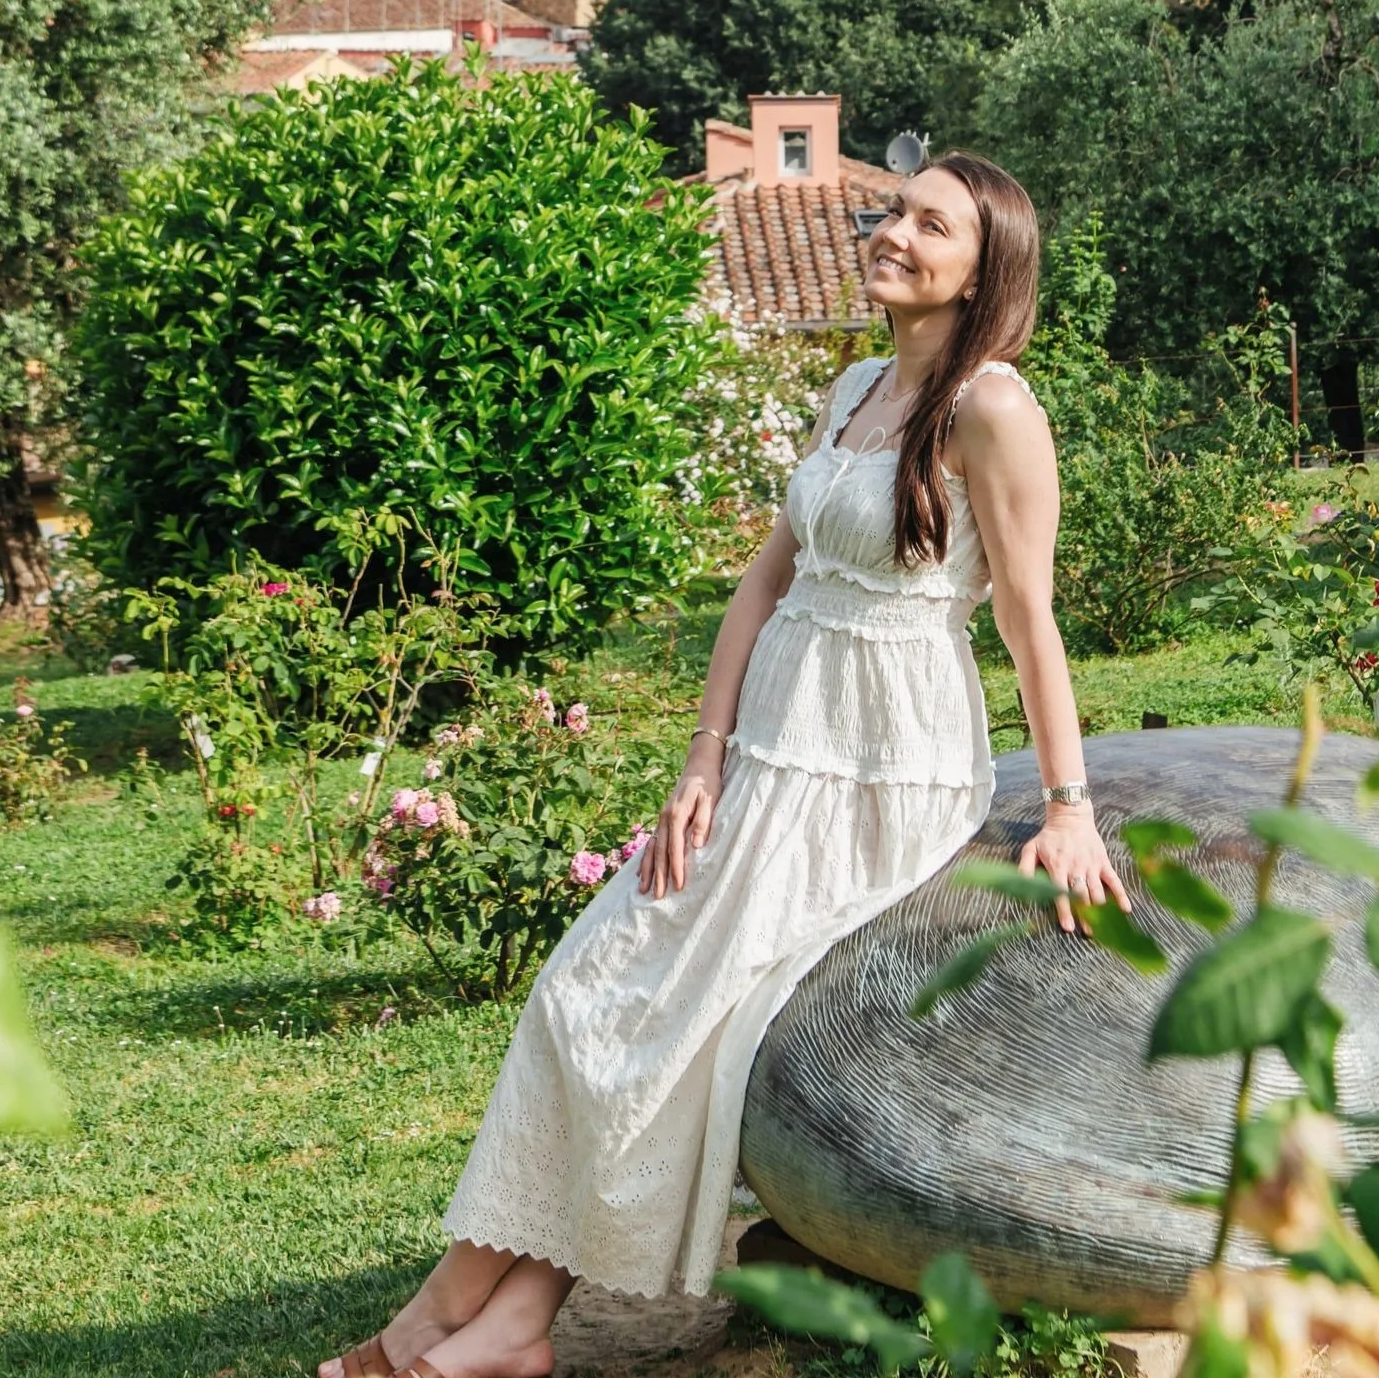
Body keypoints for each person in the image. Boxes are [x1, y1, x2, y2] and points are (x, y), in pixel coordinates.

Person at [321, 151, 1129, 1378]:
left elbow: (1030, 617)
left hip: (877, 766)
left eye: (930, 222)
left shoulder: (994, 408)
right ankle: (497, 1321)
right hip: (770, 749)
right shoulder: (857, 383)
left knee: (661, 1007)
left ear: (983, 269)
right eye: (894, 208)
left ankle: (462, 1322)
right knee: (592, 992)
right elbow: (767, 576)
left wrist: (1068, 806)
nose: (893, 231)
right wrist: (703, 757)